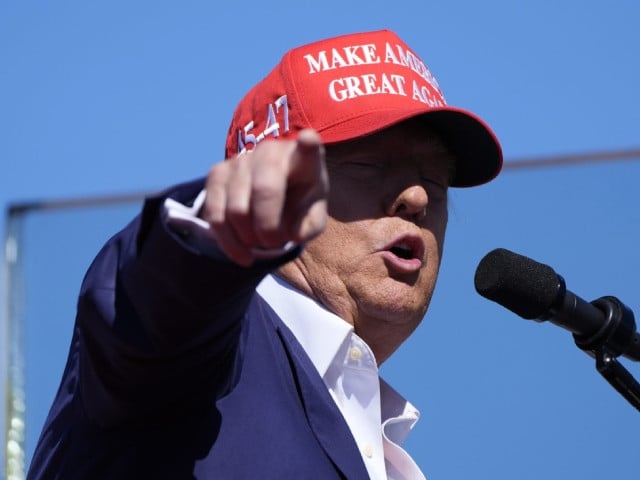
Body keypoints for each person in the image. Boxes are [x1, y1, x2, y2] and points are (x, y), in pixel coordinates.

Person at [27, 29, 502, 479]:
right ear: (276, 178)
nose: (418, 197)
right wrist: (212, 238)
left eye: (436, 179)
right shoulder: (203, 352)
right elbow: (154, 306)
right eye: (369, 163)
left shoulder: (383, 449)